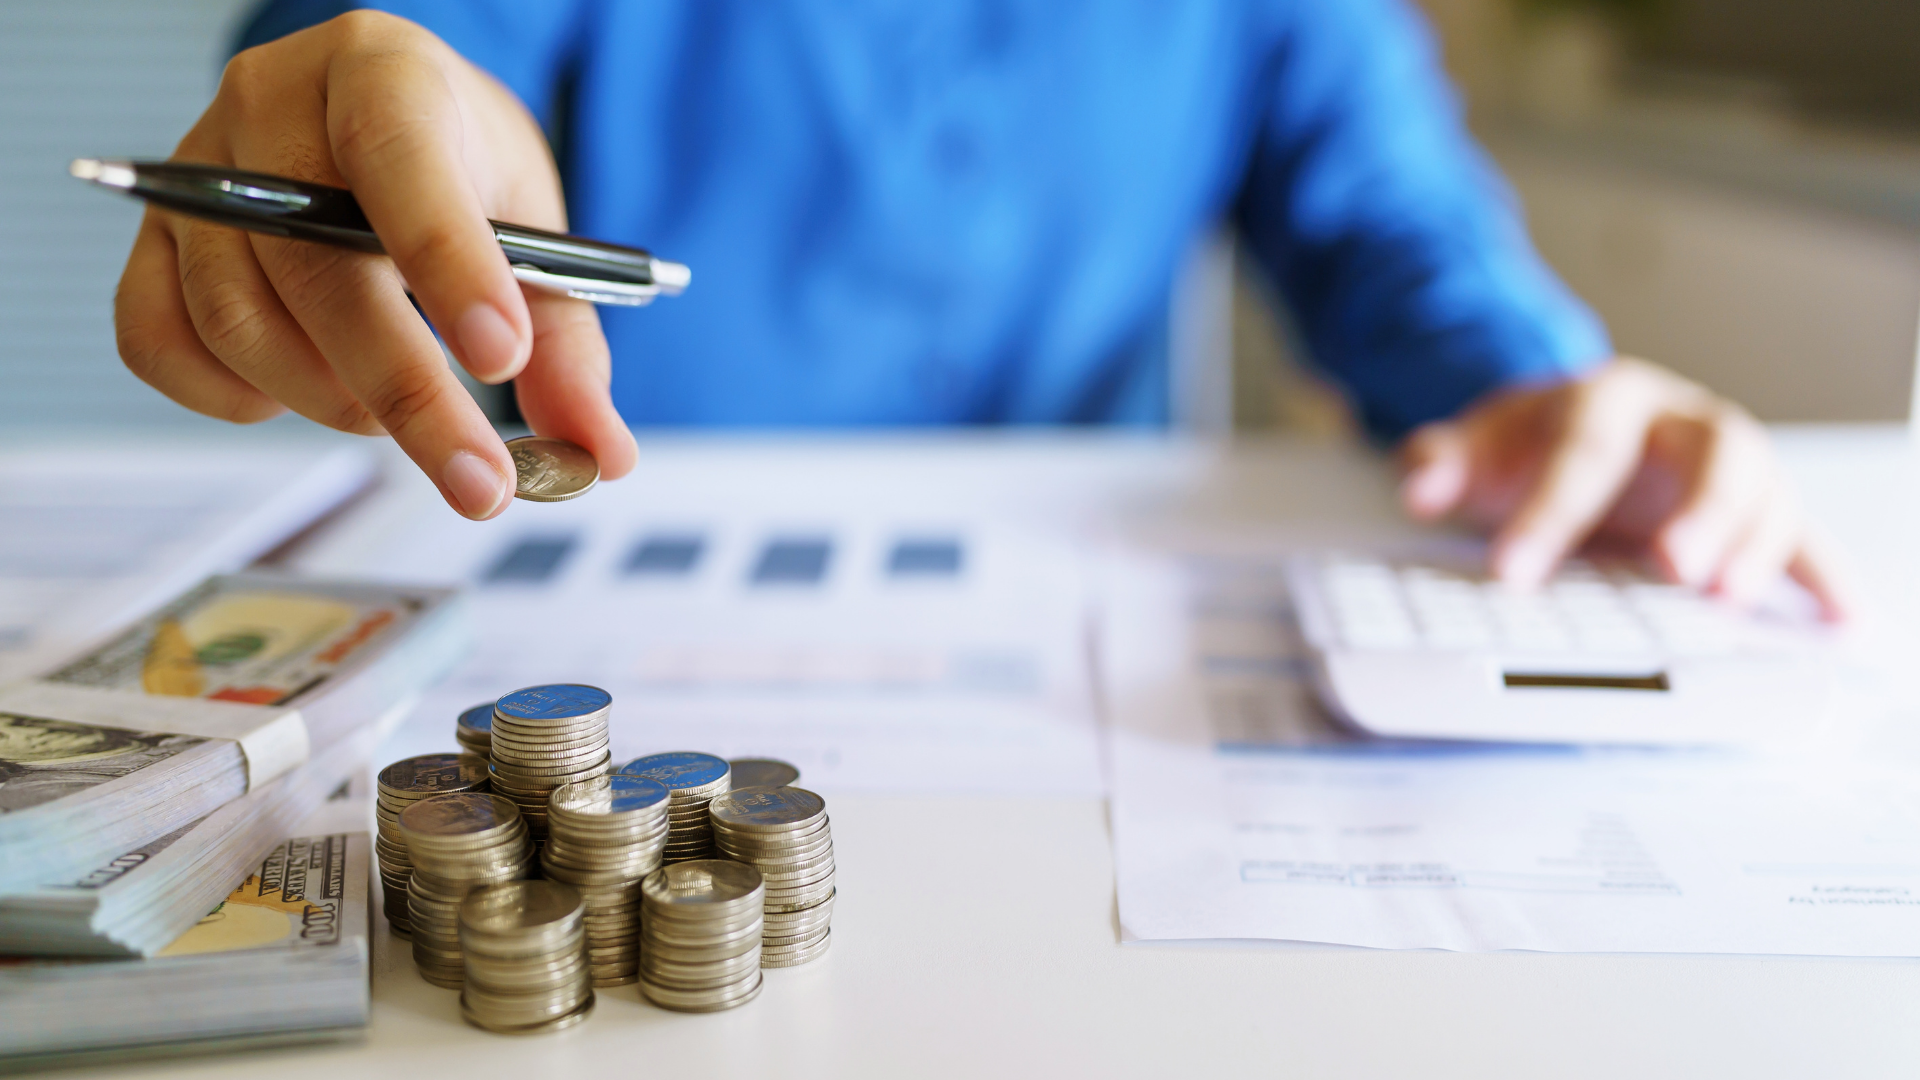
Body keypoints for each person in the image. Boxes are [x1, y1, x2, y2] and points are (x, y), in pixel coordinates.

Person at [109, 0, 1847, 616]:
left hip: (1092, 681)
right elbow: (418, 54)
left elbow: (1400, 231)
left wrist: (1545, 389)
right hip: (613, 621)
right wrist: (398, 106)